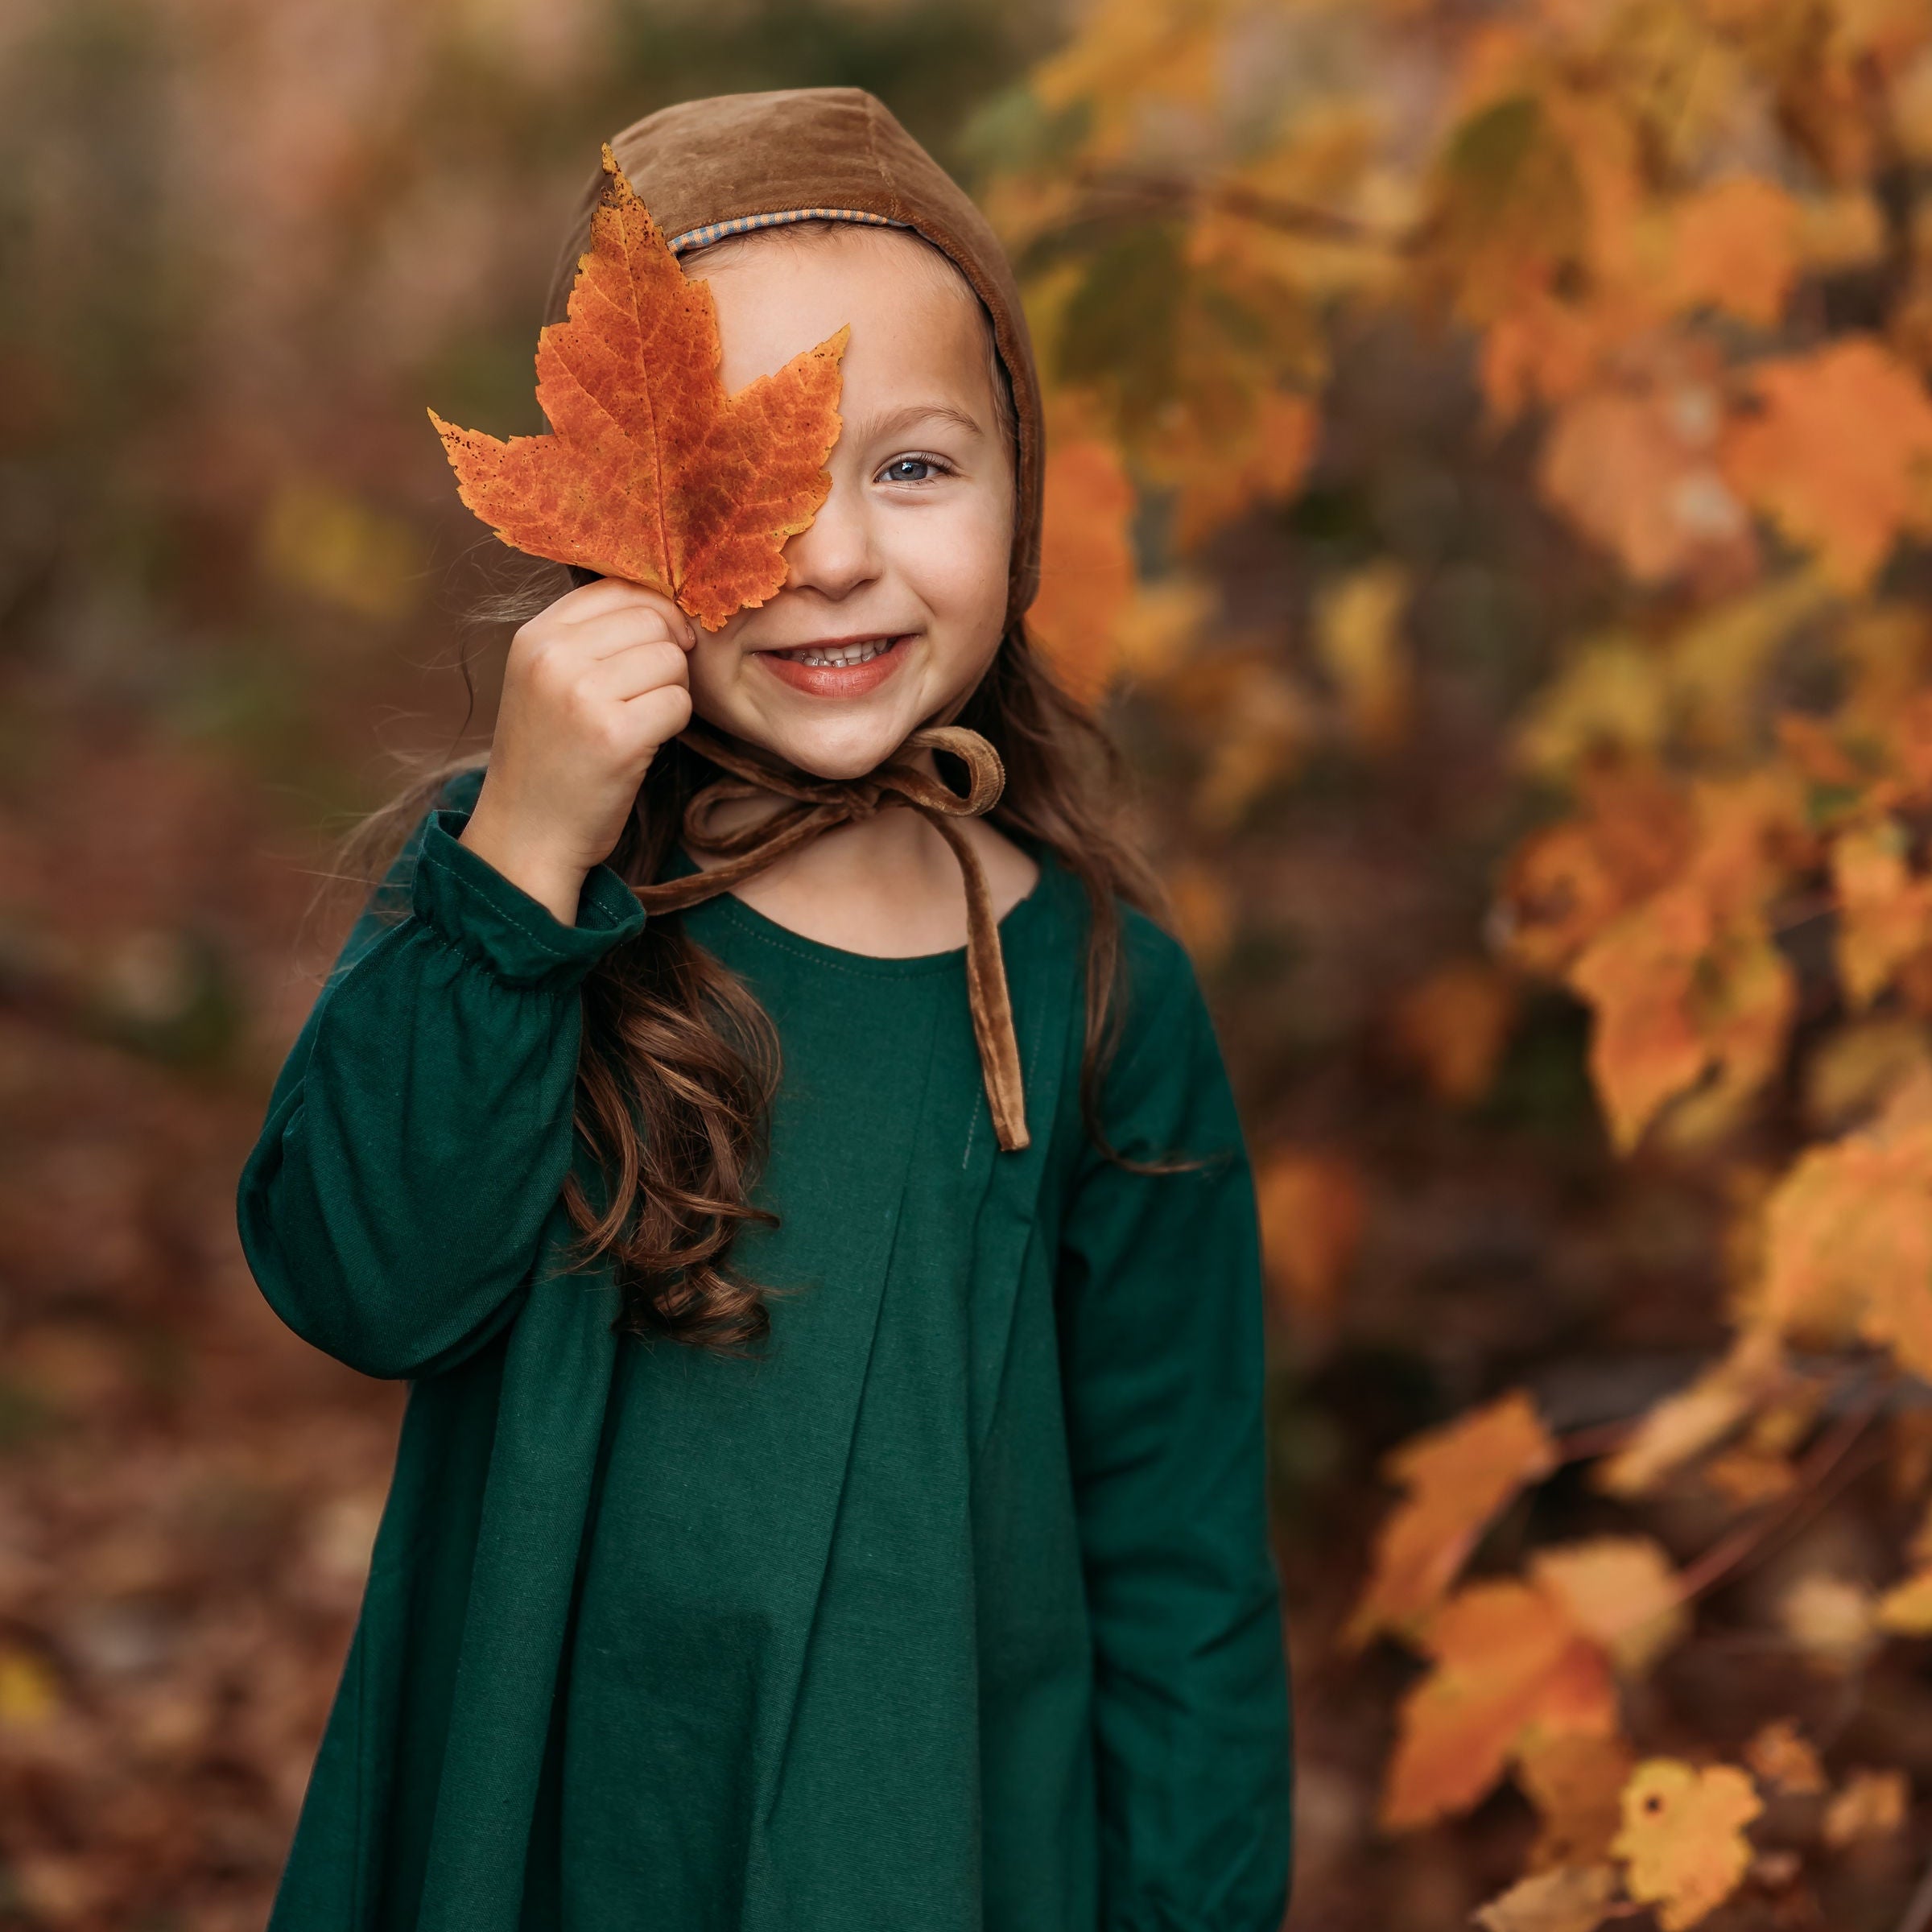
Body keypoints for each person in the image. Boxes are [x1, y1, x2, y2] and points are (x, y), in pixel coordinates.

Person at [237, 85, 1293, 1932]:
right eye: (743, 476)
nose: (827, 554)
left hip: (938, 1833)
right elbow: (363, 1281)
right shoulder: (528, 894)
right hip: (562, 1820)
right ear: (616, 516)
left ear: (1020, 488)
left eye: (911, 465)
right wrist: (521, 865)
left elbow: (1181, 1543)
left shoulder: (1094, 981)